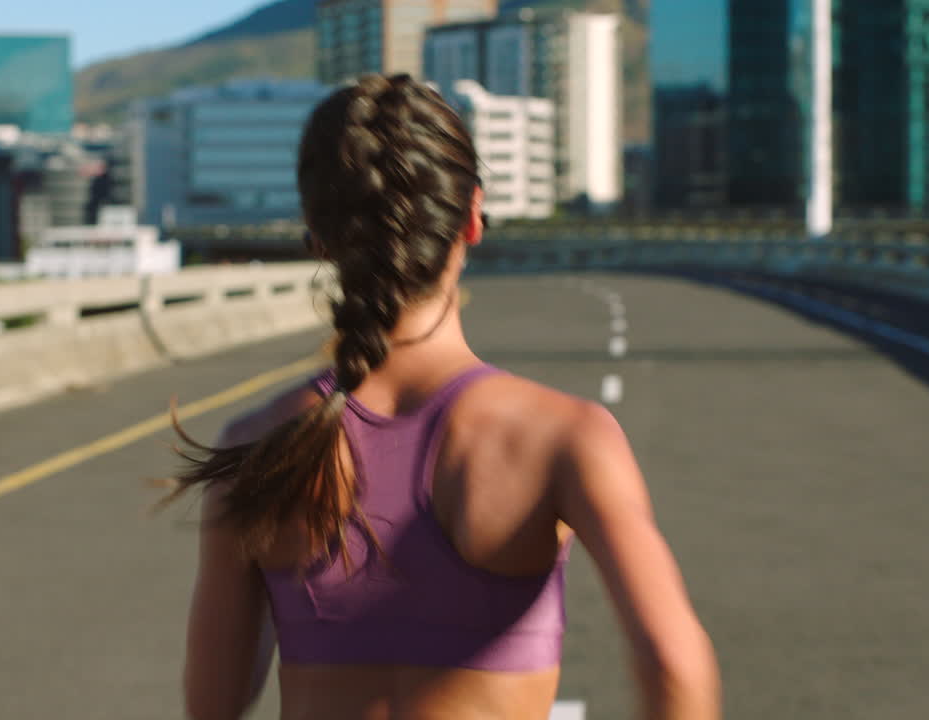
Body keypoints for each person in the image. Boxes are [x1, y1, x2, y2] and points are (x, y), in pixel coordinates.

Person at [165, 74, 721, 720]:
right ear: (472, 217)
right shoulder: (564, 438)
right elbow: (673, 664)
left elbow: (213, 704)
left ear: (317, 233)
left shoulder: (254, 447)